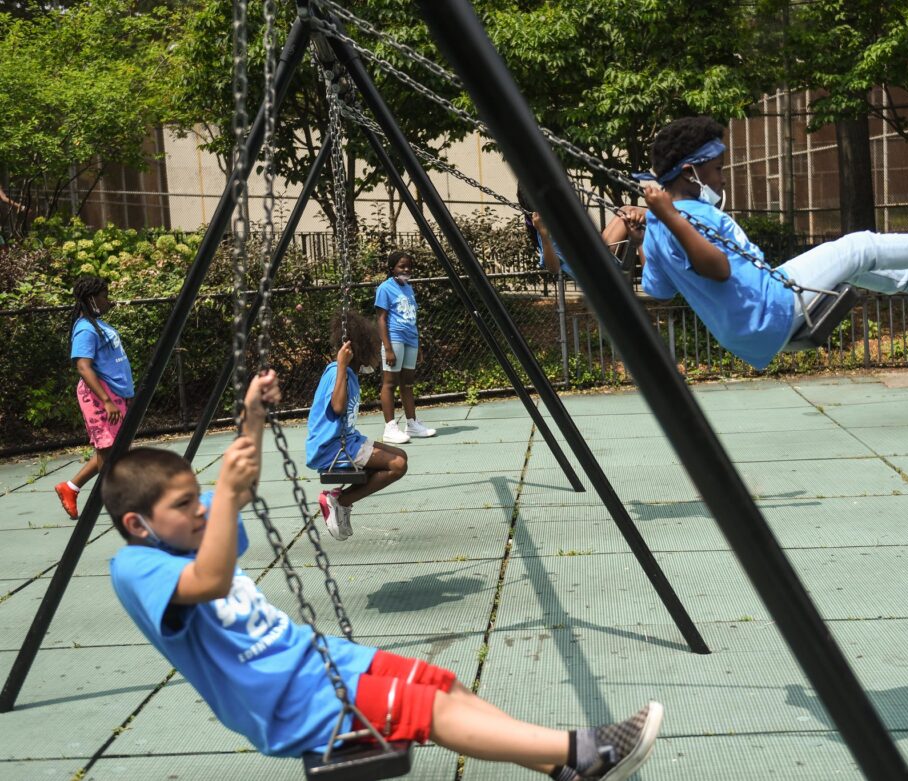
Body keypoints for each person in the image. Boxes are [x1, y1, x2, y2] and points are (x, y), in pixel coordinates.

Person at [104, 370, 663, 780]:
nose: (201, 509)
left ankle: (558, 768)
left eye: (198, 500)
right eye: (185, 505)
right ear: (139, 523)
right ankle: (582, 751)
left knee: (441, 685)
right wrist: (224, 495)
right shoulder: (138, 567)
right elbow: (210, 582)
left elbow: (239, 488)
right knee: (433, 712)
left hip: (314, 657)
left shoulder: (193, 525)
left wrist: (252, 416)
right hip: (282, 697)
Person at [637, 116, 908, 370]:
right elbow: (717, 268)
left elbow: (658, 289)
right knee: (860, 247)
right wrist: (668, 215)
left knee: (855, 265)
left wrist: (641, 233)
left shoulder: (656, 223)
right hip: (769, 308)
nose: (722, 179)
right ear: (690, 172)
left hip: (755, 319)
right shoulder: (678, 217)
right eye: (717, 170)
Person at [305, 314, 408, 540]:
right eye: (373, 347)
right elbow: (338, 406)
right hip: (330, 449)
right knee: (397, 465)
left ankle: (339, 500)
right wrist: (342, 366)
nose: (376, 354)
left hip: (349, 441)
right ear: (361, 348)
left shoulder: (350, 372)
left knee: (401, 455)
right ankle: (339, 501)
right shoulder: (337, 372)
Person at [54, 275, 135, 520]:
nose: (108, 301)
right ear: (91, 298)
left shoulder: (99, 325)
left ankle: (70, 487)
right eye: (104, 296)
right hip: (99, 396)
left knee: (114, 449)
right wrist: (107, 401)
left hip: (115, 394)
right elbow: (83, 366)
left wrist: (125, 396)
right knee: (110, 450)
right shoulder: (85, 329)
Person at [517, 187, 647, 279]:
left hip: (598, 253)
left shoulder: (554, 220)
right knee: (630, 212)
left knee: (625, 210)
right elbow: (553, 268)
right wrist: (544, 236)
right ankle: (665, 214)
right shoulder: (545, 230)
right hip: (597, 268)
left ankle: (664, 214)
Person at [374, 250, 435, 444]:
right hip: (394, 337)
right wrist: (388, 348)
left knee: (408, 383)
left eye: (409, 266)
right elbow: (381, 319)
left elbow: (411, 316)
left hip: (411, 339)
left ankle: (412, 423)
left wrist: (418, 346)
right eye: (402, 266)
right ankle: (390, 427)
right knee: (390, 382)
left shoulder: (408, 287)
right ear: (392, 268)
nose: (406, 269)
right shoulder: (385, 288)